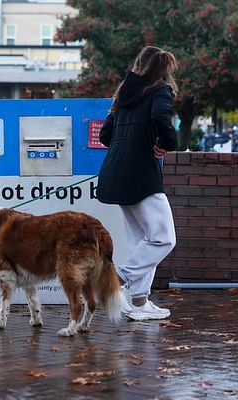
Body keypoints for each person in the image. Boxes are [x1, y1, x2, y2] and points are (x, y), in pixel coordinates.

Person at [96, 45, 178, 321]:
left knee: (141, 241)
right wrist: (165, 144)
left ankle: (139, 302)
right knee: (164, 237)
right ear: (163, 69)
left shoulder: (122, 95)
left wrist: (127, 143)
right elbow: (160, 119)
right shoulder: (159, 91)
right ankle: (117, 279)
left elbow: (105, 135)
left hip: (116, 172)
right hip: (141, 174)